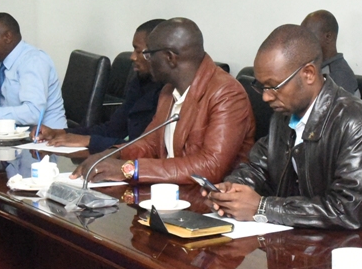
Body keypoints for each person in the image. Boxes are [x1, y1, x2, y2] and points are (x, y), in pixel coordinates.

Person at [208, 24, 362, 236]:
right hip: (305, 237)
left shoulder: (357, 126)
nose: (266, 96)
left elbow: (349, 211)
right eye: (262, 86)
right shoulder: (284, 115)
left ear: (309, 74)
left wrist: (263, 208)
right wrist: (232, 190)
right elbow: (258, 167)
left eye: (273, 86)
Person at [72, 18, 254, 184]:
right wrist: (111, 154)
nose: (146, 60)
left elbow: (210, 167)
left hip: (207, 200)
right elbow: (149, 143)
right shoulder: (168, 90)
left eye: (149, 54)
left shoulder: (227, 94)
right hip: (170, 191)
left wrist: (129, 169)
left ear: (170, 58)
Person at [37, 19, 164, 153]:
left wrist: (90, 141)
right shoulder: (141, 81)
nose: (132, 57)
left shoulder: (169, 92)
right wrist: (60, 132)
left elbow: (149, 149)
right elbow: (113, 129)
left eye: (138, 51)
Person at [300, 10, 361, 98]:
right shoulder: (317, 67)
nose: (303, 42)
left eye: (309, 36)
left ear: (328, 37)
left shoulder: (339, 75)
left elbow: (334, 107)